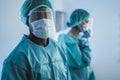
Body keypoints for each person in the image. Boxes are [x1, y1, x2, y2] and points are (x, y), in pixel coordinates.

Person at [1, 0, 71, 80]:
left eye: (47, 15)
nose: (44, 20)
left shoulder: (58, 48)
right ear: (27, 21)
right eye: (38, 15)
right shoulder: (15, 61)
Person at [58, 9, 96, 80]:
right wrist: (85, 40)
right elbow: (82, 62)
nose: (87, 25)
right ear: (79, 22)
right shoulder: (67, 40)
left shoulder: (79, 37)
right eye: (86, 21)